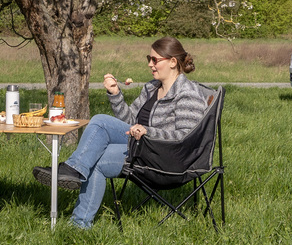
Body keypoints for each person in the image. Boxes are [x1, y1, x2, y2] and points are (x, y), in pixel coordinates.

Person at [32, 36, 207, 229]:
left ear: (173, 62)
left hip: (166, 158)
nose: (150, 64)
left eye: (155, 60)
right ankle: (78, 216)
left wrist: (149, 131)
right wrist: (115, 94)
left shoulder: (187, 93)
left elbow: (185, 136)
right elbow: (130, 121)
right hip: (142, 146)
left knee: (97, 137)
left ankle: (74, 185)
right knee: (96, 141)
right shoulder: (151, 87)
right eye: (149, 58)